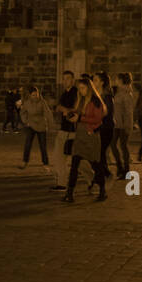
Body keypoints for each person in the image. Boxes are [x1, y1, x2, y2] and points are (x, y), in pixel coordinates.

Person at [62, 76, 108, 204]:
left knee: (96, 165)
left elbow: (97, 119)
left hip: (91, 136)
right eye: (79, 88)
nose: (80, 91)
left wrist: (80, 118)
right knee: (74, 165)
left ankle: (102, 190)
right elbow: (78, 113)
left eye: (83, 88)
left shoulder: (95, 101)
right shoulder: (81, 100)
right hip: (80, 136)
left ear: (89, 88)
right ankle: (69, 193)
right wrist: (71, 115)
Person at [52, 70, 78, 190]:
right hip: (63, 129)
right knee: (59, 157)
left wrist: (64, 109)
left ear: (72, 80)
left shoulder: (76, 93)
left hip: (72, 130)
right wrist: (60, 109)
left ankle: (94, 180)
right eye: (64, 79)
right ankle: (62, 183)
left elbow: (74, 110)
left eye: (68, 78)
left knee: (79, 160)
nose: (65, 81)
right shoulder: (64, 94)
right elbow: (61, 110)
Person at [18, 85, 54, 168]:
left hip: (41, 125)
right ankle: (25, 161)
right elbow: (23, 112)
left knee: (43, 145)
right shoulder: (27, 103)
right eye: (33, 95)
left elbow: (47, 113)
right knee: (28, 144)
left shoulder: (42, 102)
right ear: (30, 95)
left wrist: (50, 123)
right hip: (31, 125)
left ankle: (45, 162)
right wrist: (26, 121)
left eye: (36, 94)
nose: (35, 96)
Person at [110, 72, 134, 179]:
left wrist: (127, 126)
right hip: (116, 124)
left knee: (123, 146)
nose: (115, 81)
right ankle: (120, 167)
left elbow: (128, 112)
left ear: (121, 80)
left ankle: (126, 170)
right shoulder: (118, 92)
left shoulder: (126, 94)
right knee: (113, 144)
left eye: (117, 79)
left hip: (123, 125)